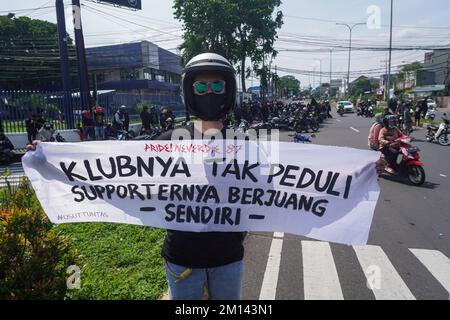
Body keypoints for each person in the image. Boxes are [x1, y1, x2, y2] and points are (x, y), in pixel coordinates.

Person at [157, 53, 245, 300]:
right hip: (182, 257)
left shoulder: (246, 145)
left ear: (228, 91)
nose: (209, 92)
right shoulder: (167, 142)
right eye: (201, 86)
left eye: (217, 85)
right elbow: (119, 167)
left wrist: (354, 175)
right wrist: (45, 156)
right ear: (189, 91)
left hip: (228, 255)